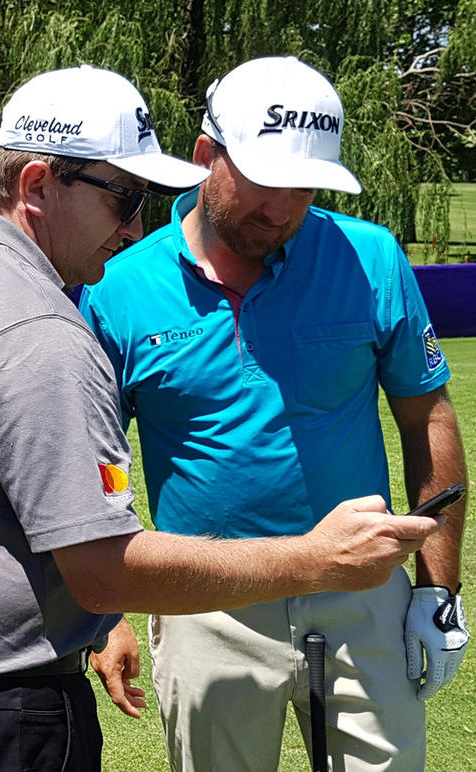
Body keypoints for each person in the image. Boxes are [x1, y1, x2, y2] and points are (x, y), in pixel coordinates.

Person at [0, 65, 443, 771]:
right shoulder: (41, 329)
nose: (136, 228)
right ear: (35, 186)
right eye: (125, 198)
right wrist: (315, 560)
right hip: (1, 710)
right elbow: (103, 572)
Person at [78, 56, 469, 771]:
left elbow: (428, 417)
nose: (283, 208)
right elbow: (93, 460)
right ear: (206, 156)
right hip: (205, 601)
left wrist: (439, 591)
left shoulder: (370, 258)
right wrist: (105, 613)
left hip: (362, 589)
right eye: (264, 181)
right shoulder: (118, 286)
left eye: (304, 185)